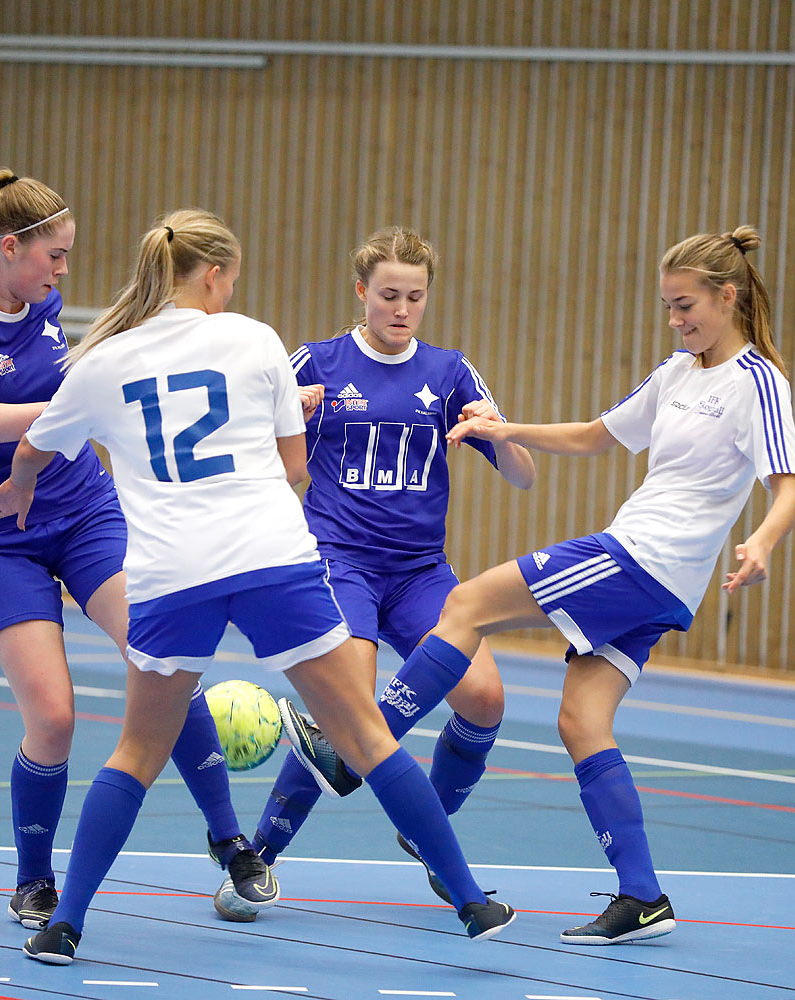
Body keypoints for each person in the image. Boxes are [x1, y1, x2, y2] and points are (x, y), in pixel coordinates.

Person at [0, 209, 517, 964]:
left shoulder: (104, 358)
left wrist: (19, 490)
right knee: (362, 732)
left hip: (171, 574)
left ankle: (66, 924)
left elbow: (31, 446)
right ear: (216, 275)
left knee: (135, 750)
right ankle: (471, 901)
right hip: (270, 560)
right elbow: (295, 468)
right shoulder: (257, 339)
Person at [302, 226, 795, 945]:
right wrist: (507, 431)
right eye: (667, 307)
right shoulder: (677, 371)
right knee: (582, 722)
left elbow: (787, 485)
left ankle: (353, 749)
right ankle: (642, 895)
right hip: (657, 581)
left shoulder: (758, 380)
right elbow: (599, 434)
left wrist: (761, 538)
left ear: (729, 297)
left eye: (686, 305)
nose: (676, 320)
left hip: (642, 558)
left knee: (467, 602)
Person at [0, 171, 268, 932]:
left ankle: (229, 839)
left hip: (81, 511)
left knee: (162, 658)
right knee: (54, 718)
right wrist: (84, 403)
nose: (62, 273)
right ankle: (34, 879)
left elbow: (102, 361)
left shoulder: (42, 308)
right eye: (55, 256)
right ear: (10, 249)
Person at [238, 227, 534, 909]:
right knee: (345, 711)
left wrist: (500, 433)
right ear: (361, 292)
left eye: (415, 297)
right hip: (340, 563)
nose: (402, 309)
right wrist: (287, 412)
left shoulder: (450, 372)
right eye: (389, 295)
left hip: (421, 573)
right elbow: (246, 447)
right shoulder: (315, 361)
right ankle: (257, 858)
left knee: (485, 698)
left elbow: (522, 477)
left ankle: (430, 829)